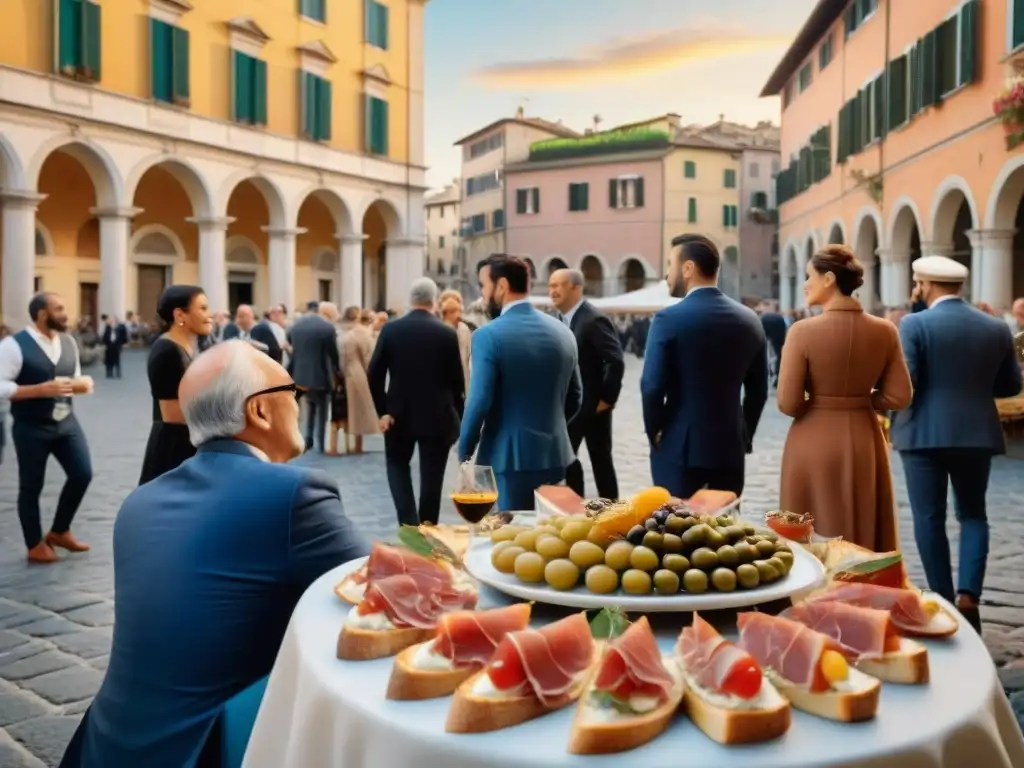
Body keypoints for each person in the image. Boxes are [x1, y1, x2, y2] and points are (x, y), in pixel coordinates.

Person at [58, 341, 368, 768]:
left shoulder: (138, 503)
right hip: (210, 749)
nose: (298, 403)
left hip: (105, 746)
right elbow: (384, 590)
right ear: (258, 411)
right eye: (291, 391)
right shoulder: (292, 494)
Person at [892, 256, 1023, 633]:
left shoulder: (914, 324)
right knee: (973, 515)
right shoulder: (996, 327)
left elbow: (909, 382)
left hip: (922, 435)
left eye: (917, 282)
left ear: (925, 284)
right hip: (975, 432)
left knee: (928, 517)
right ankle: (969, 596)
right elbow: (1011, 386)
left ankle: (942, 599)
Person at [776, 245, 912, 552]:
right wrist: (860, 400)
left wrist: (823, 401)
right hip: (864, 435)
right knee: (862, 523)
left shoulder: (802, 332)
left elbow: (788, 402)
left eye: (809, 276)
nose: (804, 284)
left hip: (812, 440)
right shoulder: (885, 330)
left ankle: (813, 595)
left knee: (808, 533)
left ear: (828, 278)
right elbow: (900, 395)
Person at [640, 234, 768, 498]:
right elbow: (758, 390)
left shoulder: (668, 319)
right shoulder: (750, 320)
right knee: (724, 531)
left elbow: (651, 386)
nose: (666, 275)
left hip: (678, 448)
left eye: (670, 265)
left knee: (676, 531)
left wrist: (655, 433)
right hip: (730, 449)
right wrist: (744, 435)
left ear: (688, 268)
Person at [458, 255, 581, 511]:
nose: (482, 295)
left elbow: (479, 401)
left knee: (512, 540)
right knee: (548, 537)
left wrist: (465, 451)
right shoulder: (563, 330)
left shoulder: (487, 335)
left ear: (501, 286)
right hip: (555, 454)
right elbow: (575, 396)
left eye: (483, 286)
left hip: (509, 458)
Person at [0, 293, 94, 563]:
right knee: (32, 486)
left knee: (82, 474)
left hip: (67, 423)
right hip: (31, 427)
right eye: (60, 308)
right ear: (43, 314)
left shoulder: (68, 342)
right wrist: (38, 390)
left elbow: (73, 376)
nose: (66, 314)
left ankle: (60, 530)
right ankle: (34, 544)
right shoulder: (13, 346)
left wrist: (81, 384)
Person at [369, 278, 465, 526]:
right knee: (433, 477)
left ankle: (408, 523)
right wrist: (460, 418)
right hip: (438, 415)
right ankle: (428, 527)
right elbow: (457, 382)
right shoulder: (446, 333)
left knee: (397, 466)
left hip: (398, 414)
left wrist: (382, 411)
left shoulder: (391, 330)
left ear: (410, 301)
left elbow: (374, 374)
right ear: (435, 301)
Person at [548, 268, 624, 500]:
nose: (552, 291)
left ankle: (612, 512)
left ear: (576, 288)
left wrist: (606, 400)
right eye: (550, 286)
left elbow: (615, 360)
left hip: (593, 406)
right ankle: (576, 509)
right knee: (568, 458)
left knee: (600, 460)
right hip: (570, 405)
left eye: (558, 285)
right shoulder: (557, 319)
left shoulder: (593, 319)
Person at [139, 285, 213, 485]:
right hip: (173, 451)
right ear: (180, 314)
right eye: (203, 309)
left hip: (190, 445)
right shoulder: (167, 352)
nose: (209, 315)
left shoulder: (191, 346)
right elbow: (173, 415)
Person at [287, 300, 340, 452]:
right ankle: (321, 443)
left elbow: (292, 345)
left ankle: (308, 438)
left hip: (300, 375)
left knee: (309, 407)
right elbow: (333, 354)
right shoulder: (327, 327)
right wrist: (337, 370)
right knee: (322, 411)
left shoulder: (295, 326)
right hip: (321, 375)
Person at [342, 308, 380, 453]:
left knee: (353, 410)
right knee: (360, 410)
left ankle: (355, 443)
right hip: (360, 374)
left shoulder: (349, 334)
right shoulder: (364, 335)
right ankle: (358, 444)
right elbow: (368, 358)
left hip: (349, 372)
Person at [759, 309, 787, 388]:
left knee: (764, 352)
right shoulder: (779, 319)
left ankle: (768, 374)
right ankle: (776, 375)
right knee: (778, 353)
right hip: (777, 335)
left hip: (766, 333)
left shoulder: (763, 318)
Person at [100, 314, 127, 379]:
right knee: (109, 360)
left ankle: (118, 372)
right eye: (111, 321)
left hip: (116, 346)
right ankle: (109, 372)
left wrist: (121, 344)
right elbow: (104, 337)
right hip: (109, 346)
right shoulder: (107, 328)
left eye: (113, 321)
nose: (111, 322)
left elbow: (123, 337)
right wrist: (105, 343)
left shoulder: (119, 329)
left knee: (117, 360)